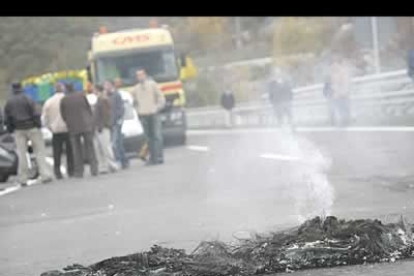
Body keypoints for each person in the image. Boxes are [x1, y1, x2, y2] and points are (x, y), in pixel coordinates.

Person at [4, 82, 53, 185]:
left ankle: (23, 178)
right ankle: (45, 175)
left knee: (22, 154)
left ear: (12, 89)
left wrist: (11, 129)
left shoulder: (9, 102)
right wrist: (38, 125)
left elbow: (7, 118)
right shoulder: (28, 99)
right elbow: (36, 113)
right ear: (22, 88)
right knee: (39, 152)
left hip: (18, 130)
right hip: (32, 127)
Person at [60, 83, 98, 178]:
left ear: (66, 89)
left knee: (76, 150)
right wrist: (90, 121)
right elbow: (88, 109)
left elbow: (63, 115)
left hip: (73, 127)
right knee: (90, 147)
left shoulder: (64, 100)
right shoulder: (81, 96)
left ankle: (79, 171)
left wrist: (68, 122)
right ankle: (94, 169)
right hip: (86, 125)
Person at [132, 68, 166, 165]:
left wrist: (157, 107)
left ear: (145, 75)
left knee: (157, 136)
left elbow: (161, 98)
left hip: (154, 114)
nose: (140, 77)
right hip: (143, 115)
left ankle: (159, 157)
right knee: (148, 138)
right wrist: (138, 111)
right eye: (138, 75)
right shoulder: (135, 89)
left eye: (141, 74)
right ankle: (152, 157)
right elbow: (134, 103)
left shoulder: (152, 85)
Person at [42, 82, 74, 179]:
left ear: (54, 89)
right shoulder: (67, 99)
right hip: (68, 128)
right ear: (63, 89)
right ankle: (71, 170)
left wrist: (49, 127)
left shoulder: (49, 101)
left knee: (57, 152)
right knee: (70, 151)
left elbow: (44, 118)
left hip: (55, 130)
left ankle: (57, 171)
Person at [94, 85, 119, 173]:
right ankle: (104, 167)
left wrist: (102, 126)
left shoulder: (103, 99)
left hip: (103, 127)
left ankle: (112, 165)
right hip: (99, 127)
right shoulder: (100, 99)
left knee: (106, 147)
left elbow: (105, 115)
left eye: (94, 89)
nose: (93, 91)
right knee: (100, 148)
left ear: (98, 90)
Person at [104, 80, 129, 169]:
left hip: (116, 123)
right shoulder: (105, 96)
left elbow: (121, 109)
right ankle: (125, 161)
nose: (105, 87)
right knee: (118, 143)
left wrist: (119, 119)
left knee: (115, 143)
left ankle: (119, 161)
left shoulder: (116, 95)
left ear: (111, 85)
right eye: (104, 85)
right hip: (109, 123)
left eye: (107, 85)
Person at [330, 58, 352, 127]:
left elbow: (346, 83)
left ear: (338, 64)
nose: (334, 66)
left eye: (335, 64)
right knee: (340, 108)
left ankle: (345, 122)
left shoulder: (343, 72)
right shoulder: (334, 73)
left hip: (343, 94)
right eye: (332, 65)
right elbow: (333, 84)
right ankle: (343, 122)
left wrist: (343, 92)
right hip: (337, 95)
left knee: (344, 108)